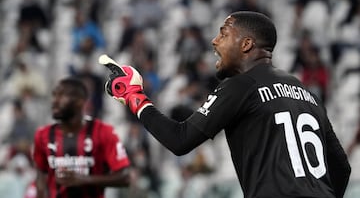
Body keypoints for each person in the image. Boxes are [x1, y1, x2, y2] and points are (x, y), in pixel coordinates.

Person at [99, 11, 351, 198]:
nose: (214, 40)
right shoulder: (305, 93)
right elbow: (341, 168)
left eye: (224, 32)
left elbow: (180, 139)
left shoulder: (242, 85)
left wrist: (135, 97)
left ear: (246, 44)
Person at [32, 77, 131, 198]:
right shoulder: (43, 135)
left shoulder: (103, 132)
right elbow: (41, 178)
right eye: (54, 95)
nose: (55, 101)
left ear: (80, 101)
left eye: (61, 96)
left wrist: (85, 179)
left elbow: (125, 177)